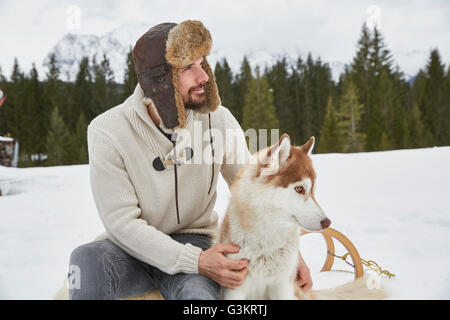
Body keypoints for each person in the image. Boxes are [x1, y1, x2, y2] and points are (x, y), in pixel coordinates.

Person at [69, 20, 312, 300]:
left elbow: (255, 196)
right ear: (159, 80)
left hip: (197, 242)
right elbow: (121, 223)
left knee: (198, 300)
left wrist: (292, 257)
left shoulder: (218, 120)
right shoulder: (108, 130)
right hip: (131, 251)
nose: (204, 76)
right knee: (86, 259)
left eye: (202, 63)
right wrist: (194, 261)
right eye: (188, 67)